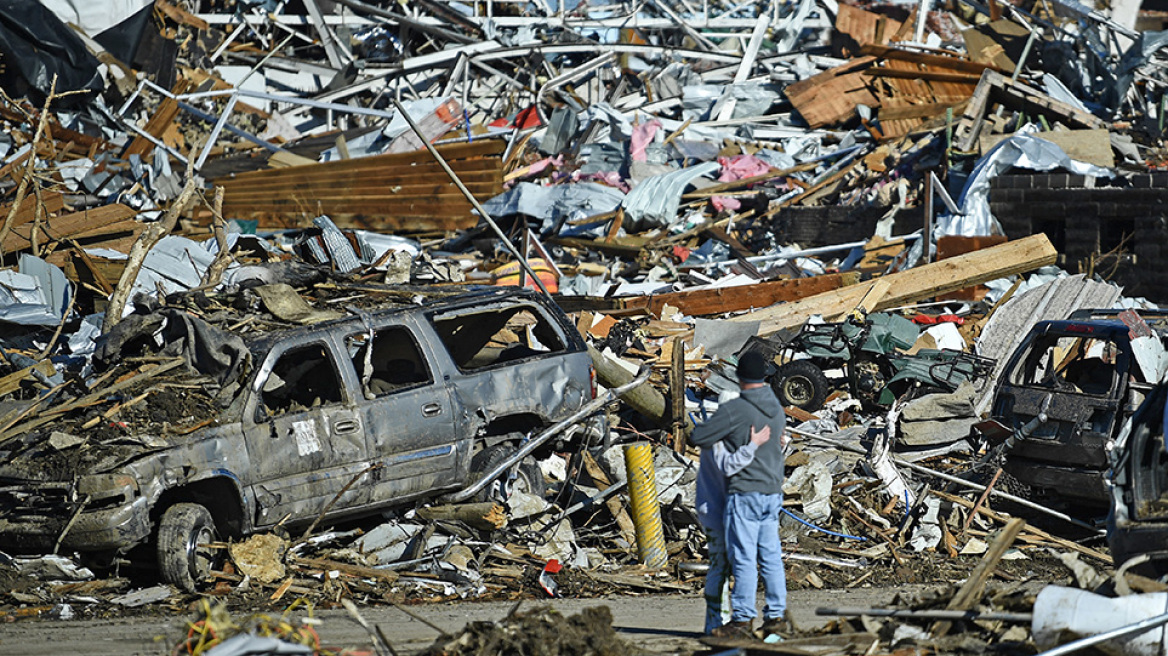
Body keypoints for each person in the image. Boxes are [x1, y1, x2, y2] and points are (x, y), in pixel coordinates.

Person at [690, 351, 789, 639]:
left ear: (738, 377)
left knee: (743, 556)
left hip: (745, 493)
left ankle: (742, 620)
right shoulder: (777, 408)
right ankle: (776, 619)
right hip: (772, 493)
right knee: (770, 556)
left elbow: (699, 436)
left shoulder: (737, 410)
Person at [696, 423, 770, 634]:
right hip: (721, 513)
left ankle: (716, 621)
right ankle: (725, 622)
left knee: (719, 566)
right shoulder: (725, 443)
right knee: (730, 566)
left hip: (713, 511)